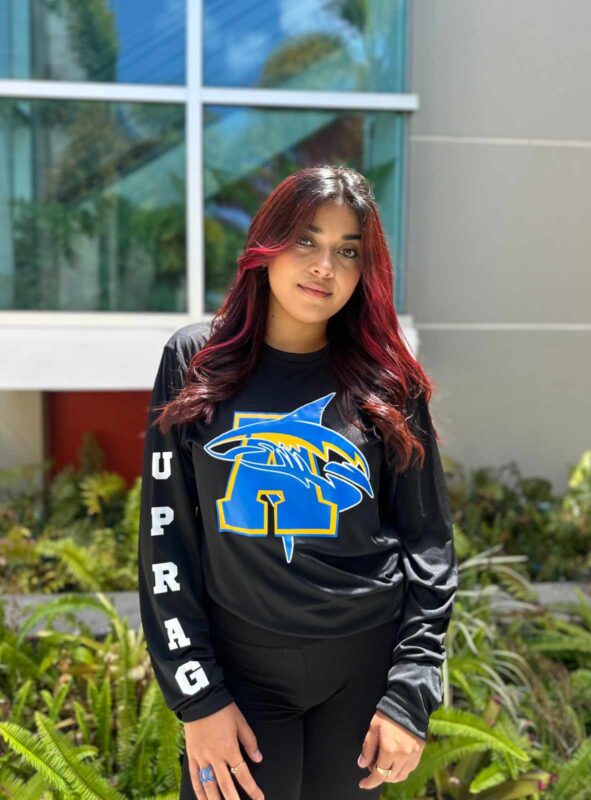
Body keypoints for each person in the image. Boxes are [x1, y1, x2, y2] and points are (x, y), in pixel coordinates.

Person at [137, 165, 459, 800]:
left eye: (348, 251)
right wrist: (197, 697)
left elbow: (427, 541)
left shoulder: (389, 381)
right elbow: (164, 541)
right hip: (242, 669)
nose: (324, 268)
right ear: (268, 243)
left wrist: (410, 692)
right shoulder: (194, 362)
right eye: (306, 241)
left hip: (363, 674)